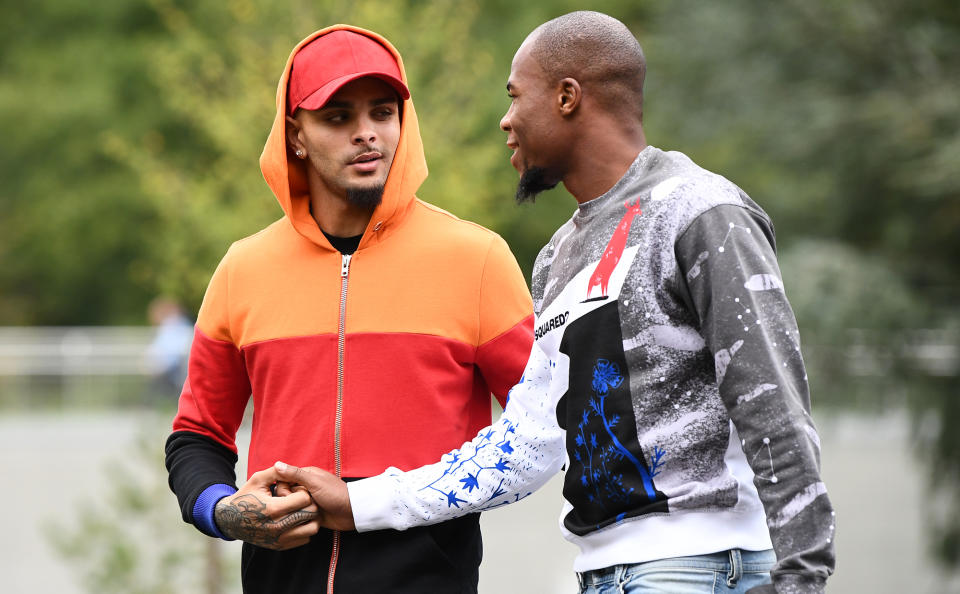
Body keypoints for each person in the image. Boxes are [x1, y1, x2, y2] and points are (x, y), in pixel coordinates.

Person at [272, 11, 837, 594]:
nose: (505, 120)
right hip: (604, 574)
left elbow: (772, 400)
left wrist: (802, 578)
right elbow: (524, 443)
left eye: (516, 97)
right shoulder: (559, 256)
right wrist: (358, 503)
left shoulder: (701, 212)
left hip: (702, 566)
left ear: (567, 97)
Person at [164, 25, 534, 594]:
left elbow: (542, 426)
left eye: (382, 113)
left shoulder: (477, 260)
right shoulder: (243, 269)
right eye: (338, 117)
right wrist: (222, 510)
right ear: (296, 137)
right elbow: (197, 434)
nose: (367, 134)